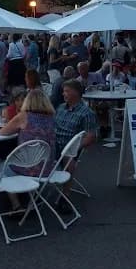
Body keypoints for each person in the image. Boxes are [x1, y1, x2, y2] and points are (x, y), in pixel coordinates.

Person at [53, 79, 97, 209]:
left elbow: (91, 136)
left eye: (66, 91)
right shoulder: (60, 108)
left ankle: (65, 196)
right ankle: (29, 192)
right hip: (52, 144)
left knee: (68, 157)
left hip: (68, 148)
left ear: (76, 93)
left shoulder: (86, 113)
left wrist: (74, 148)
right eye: (63, 91)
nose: (63, 94)